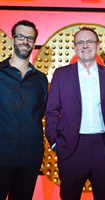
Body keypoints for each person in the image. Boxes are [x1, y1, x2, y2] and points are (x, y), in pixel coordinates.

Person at [45, 26, 105, 200]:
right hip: (71, 147)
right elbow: (51, 111)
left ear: (98, 45)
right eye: (80, 42)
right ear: (75, 48)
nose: (85, 45)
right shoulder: (61, 74)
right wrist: (55, 143)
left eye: (89, 41)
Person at [0, 20, 48, 200]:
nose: (25, 41)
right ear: (12, 40)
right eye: (20, 36)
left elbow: (40, 114)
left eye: (30, 38)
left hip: (30, 159)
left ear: (34, 42)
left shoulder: (41, 80)